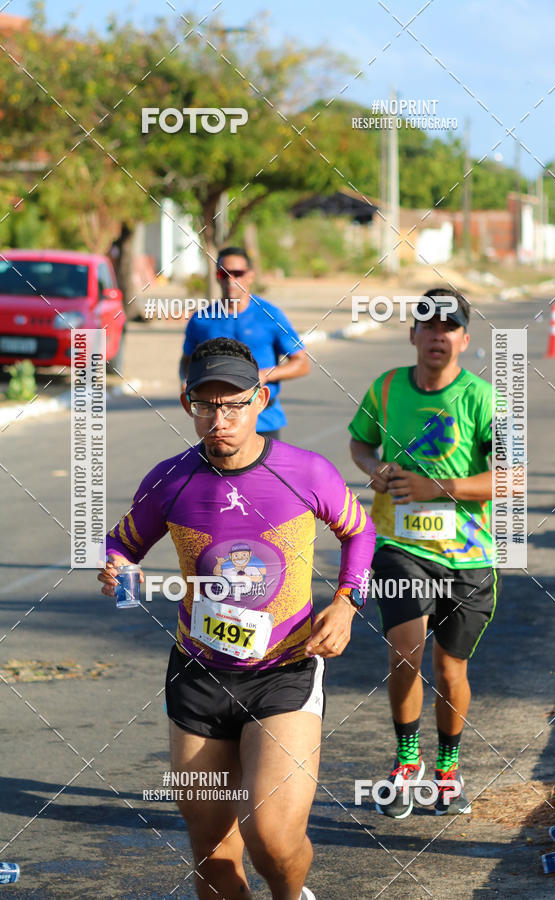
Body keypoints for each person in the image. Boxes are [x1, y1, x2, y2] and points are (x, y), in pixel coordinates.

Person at [99, 337, 375, 900]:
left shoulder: (307, 472)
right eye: (206, 405)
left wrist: (347, 602)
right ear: (187, 406)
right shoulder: (169, 479)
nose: (219, 419)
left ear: (261, 399)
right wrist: (116, 567)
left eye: (233, 404)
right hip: (197, 677)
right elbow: (123, 543)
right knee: (212, 852)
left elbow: (360, 532)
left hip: (285, 670)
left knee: (270, 837)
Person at [348, 288, 500, 818]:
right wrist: (374, 470)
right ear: (412, 334)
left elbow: (511, 478)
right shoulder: (387, 388)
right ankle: (407, 760)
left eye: (448, 327)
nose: (438, 336)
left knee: (450, 668)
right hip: (398, 544)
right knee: (405, 650)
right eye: (428, 326)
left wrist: (441, 488)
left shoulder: (484, 398)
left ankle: (448, 770)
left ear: (463, 337)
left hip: (468, 555)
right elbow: (361, 442)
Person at [179, 247, 310, 439]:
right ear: (216, 277)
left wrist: (264, 375)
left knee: (263, 470)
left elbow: (302, 363)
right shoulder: (201, 320)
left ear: (250, 275)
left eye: (238, 273)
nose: (231, 281)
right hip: (218, 423)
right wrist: (185, 381)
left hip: (263, 419)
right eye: (224, 274)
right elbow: (187, 361)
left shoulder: (270, 316)